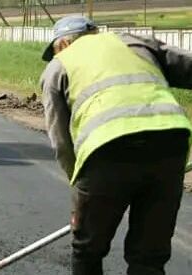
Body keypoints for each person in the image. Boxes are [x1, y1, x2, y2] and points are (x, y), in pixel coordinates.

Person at [40, 15, 192, 275]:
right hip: (169, 144)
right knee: (149, 257)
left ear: (63, 44)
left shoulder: (57, 67)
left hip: (106, 152)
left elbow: (61, 141)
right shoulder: (137, 43)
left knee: (88, 249)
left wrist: (81, 188)